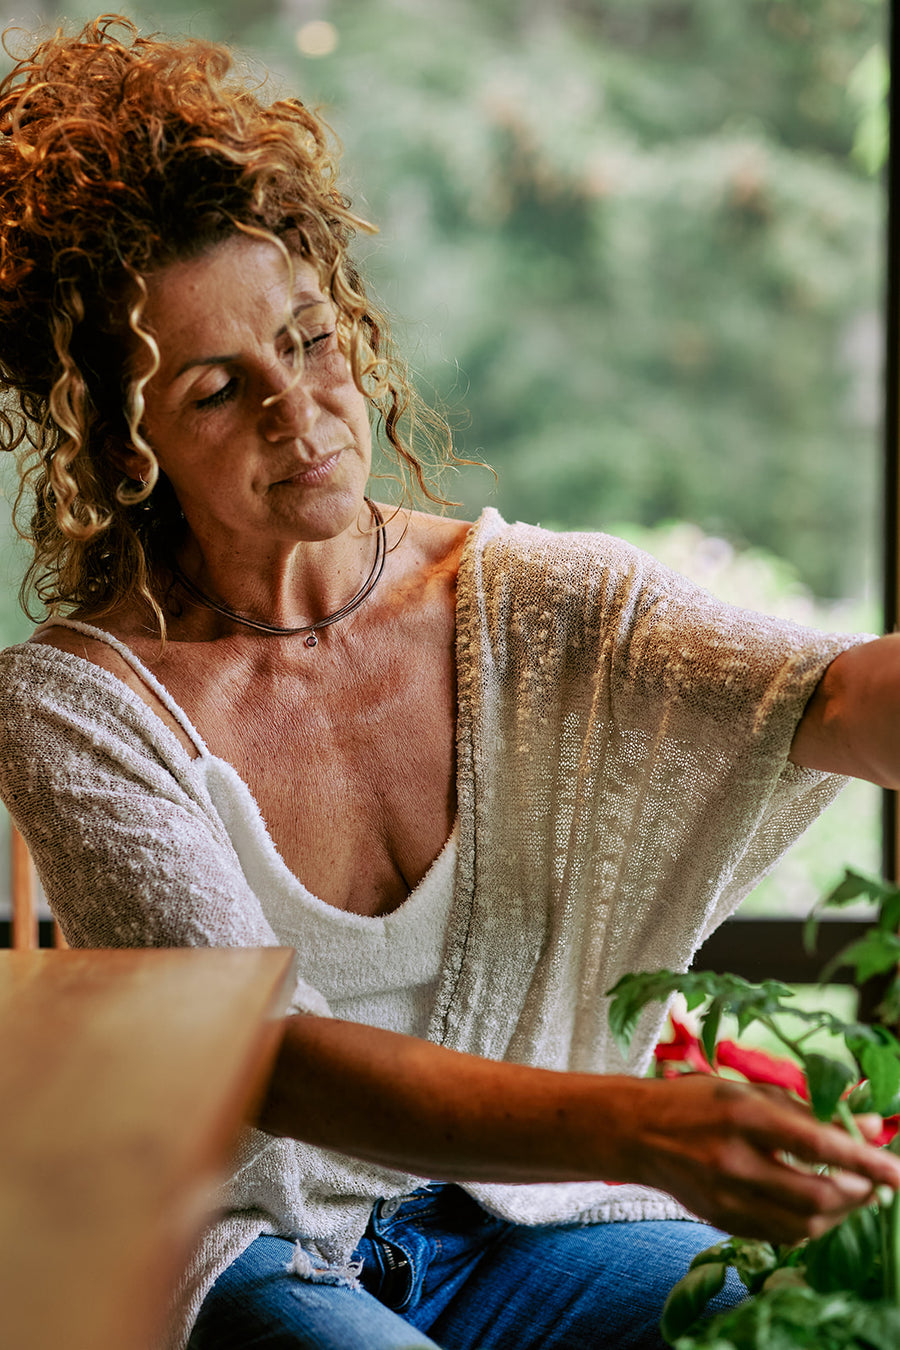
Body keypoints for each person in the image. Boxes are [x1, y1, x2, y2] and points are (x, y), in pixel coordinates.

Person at [0, 16, 898, 1350]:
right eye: (214, 391)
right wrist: (642, 1123)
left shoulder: (537, 609)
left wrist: (625, 1152)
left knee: (809, 1327)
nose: (297, 415)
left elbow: (827, 699)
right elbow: (261, 1056)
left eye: (306, 341)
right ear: (128, 452)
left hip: (545, 1224)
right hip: (233, 1246)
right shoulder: (74, 706)